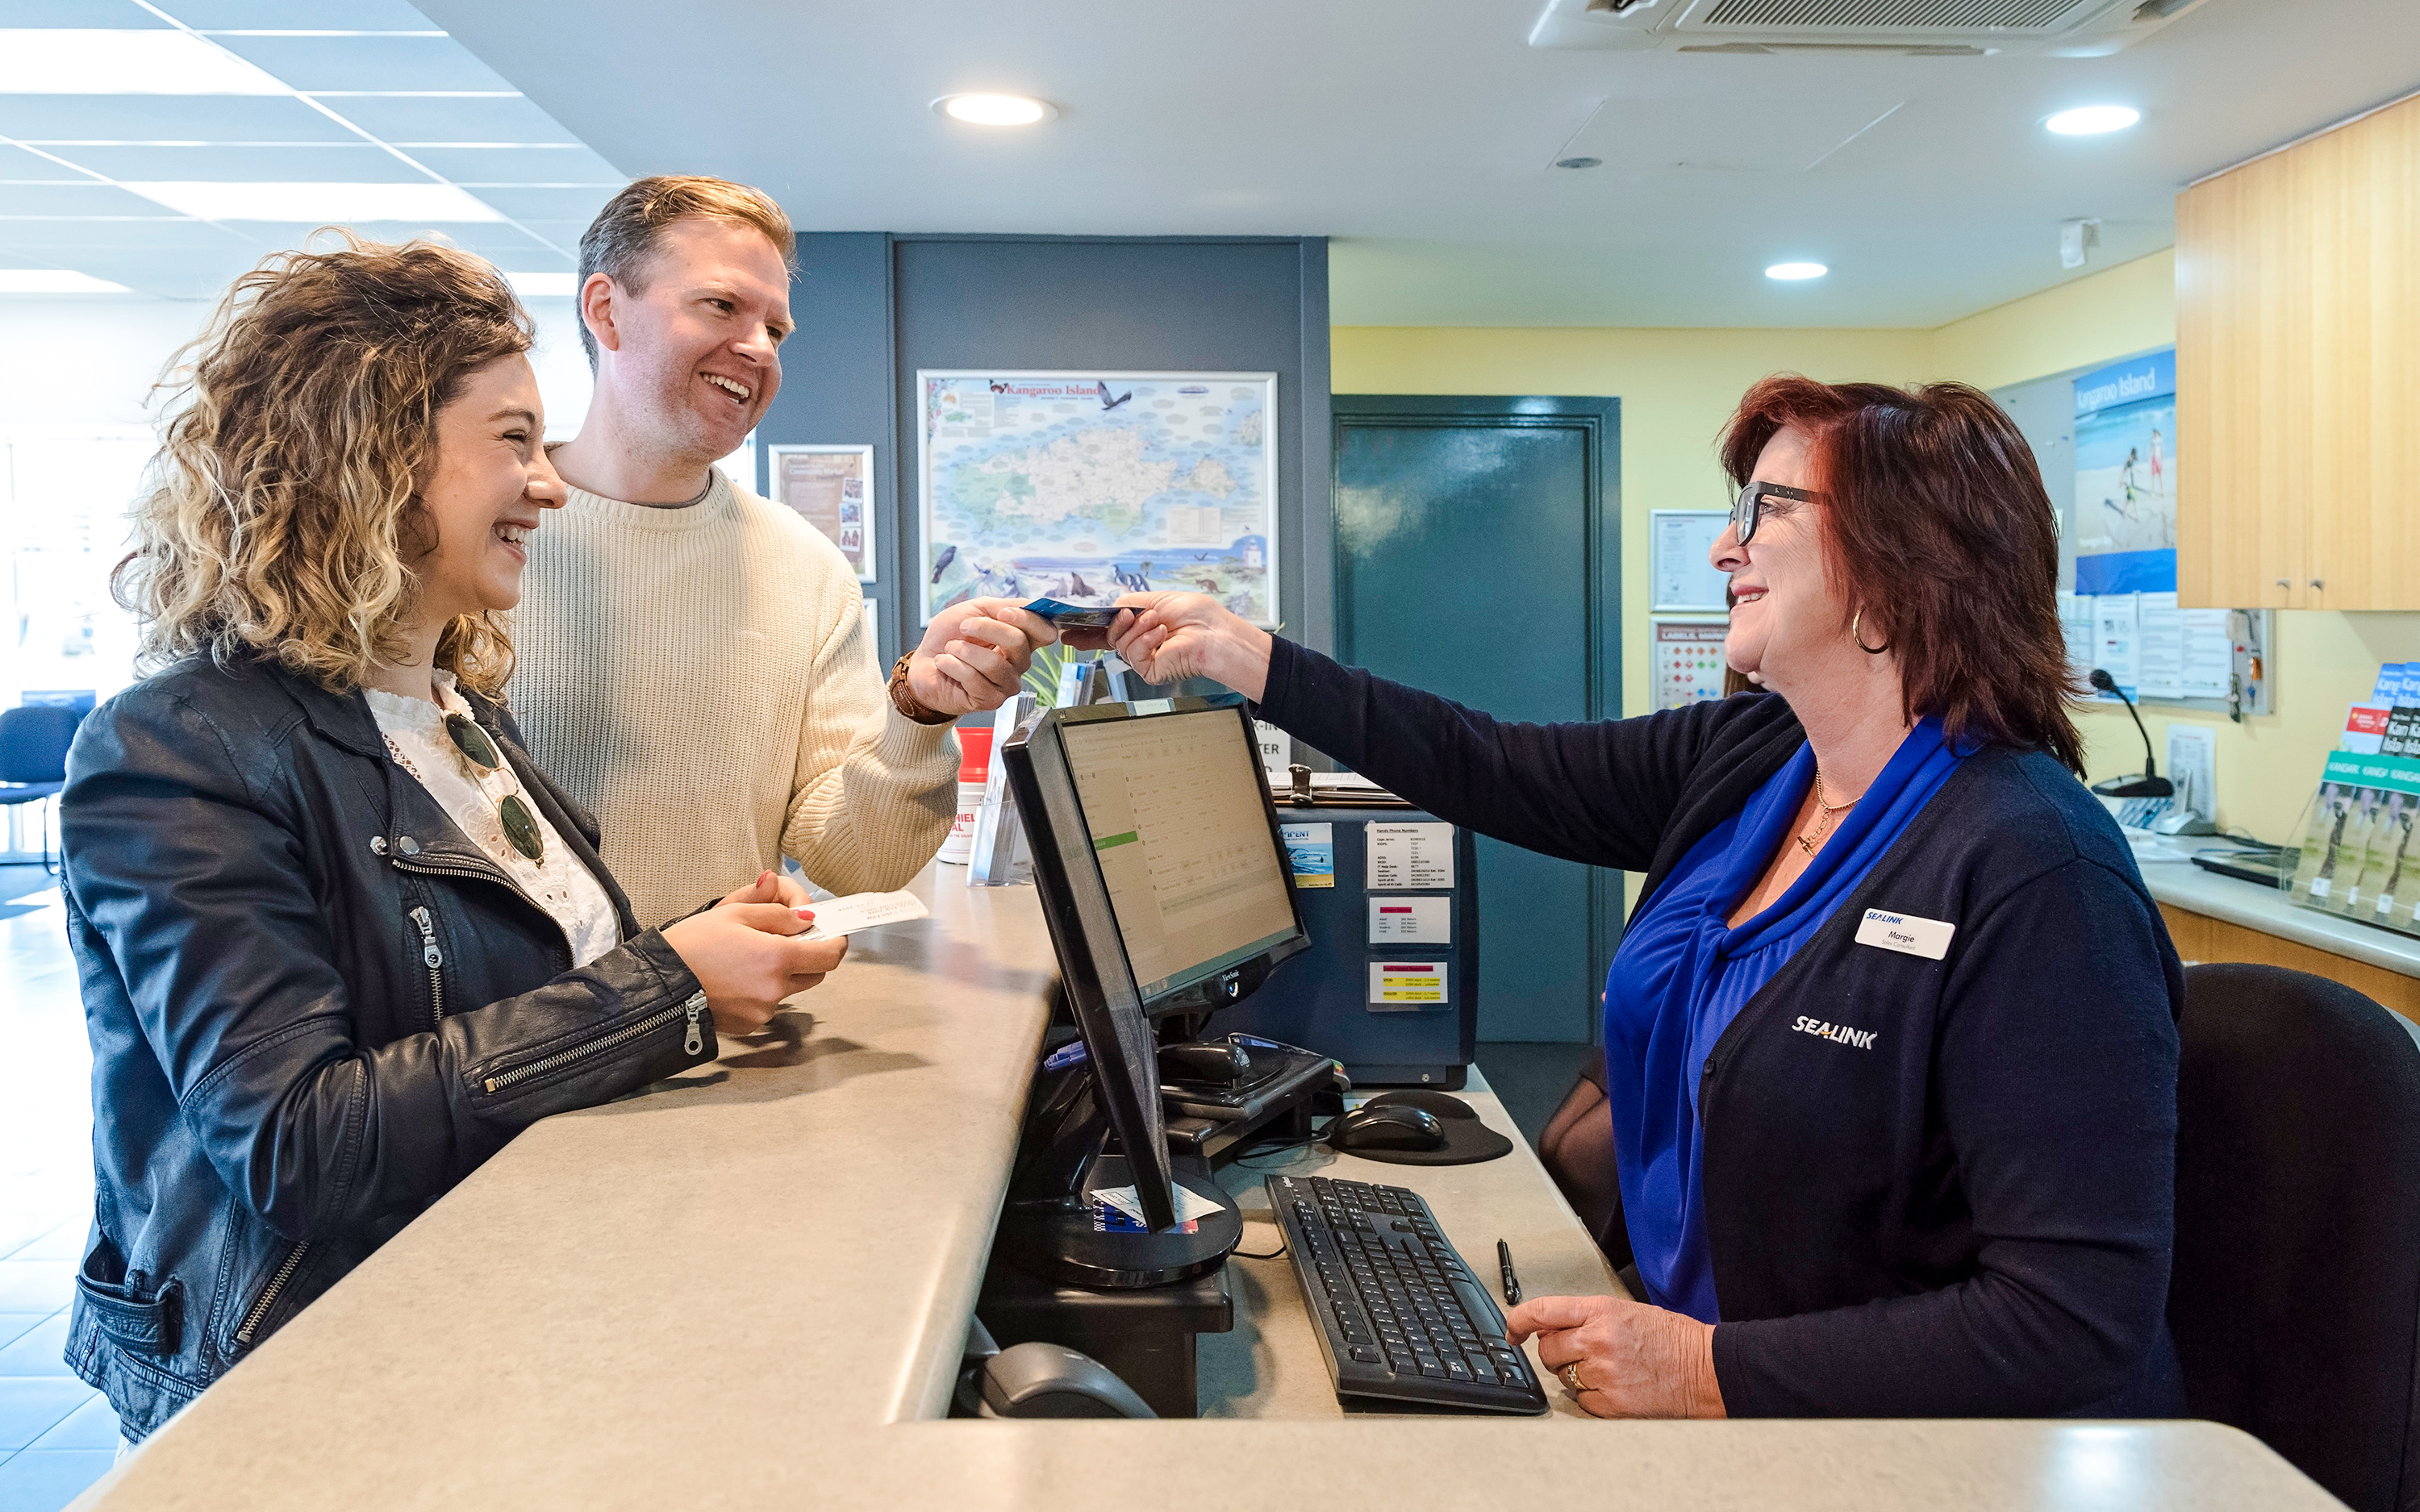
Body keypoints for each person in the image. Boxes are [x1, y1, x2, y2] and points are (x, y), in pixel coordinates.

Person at [1083, 377, 2184, 1419]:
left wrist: (1705, 1367)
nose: (1724, 545)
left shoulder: (2037, 871)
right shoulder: (1753, 759)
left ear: (1904, 558)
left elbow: (2075, 1318)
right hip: (1699, 1380)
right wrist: (1243, 653)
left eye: (1766, 508)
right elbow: (1488, 763)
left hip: (1890, 1447)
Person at [61, 238, 845, 1445]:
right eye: (513, 440)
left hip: (502, 1317)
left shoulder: (459, 712)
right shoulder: (180, 750)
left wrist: (699, 965)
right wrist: (671, 979)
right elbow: (297, 1144)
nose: (550, 483)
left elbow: (543, 1006)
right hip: (317, 1380)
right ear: (372, 453)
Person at [513, 176, 1053, 924]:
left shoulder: (803, 565)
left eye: (777, 329)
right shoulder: (482, 538)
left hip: (724, 1031)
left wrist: (920, 711)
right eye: (722, 305)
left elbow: (857, 862)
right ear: (607, 311)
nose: (757, 348)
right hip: (519, 1037)